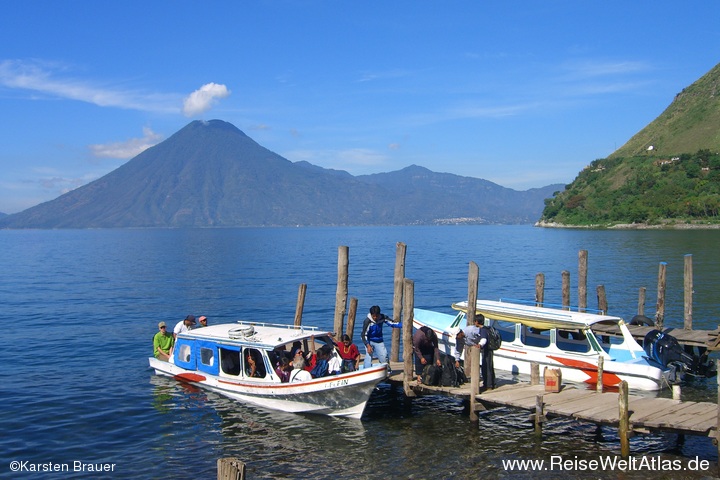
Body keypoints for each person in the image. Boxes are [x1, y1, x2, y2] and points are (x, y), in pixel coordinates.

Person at [477, 315, 496, 390]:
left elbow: (484, 339)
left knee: (486, 367)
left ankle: (488, 385)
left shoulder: (483, 330)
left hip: (486, 350)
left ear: (477, 322)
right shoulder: (487, 328)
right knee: (490, 366)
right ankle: (491, 383)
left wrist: (479, 345)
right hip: (490, 350)